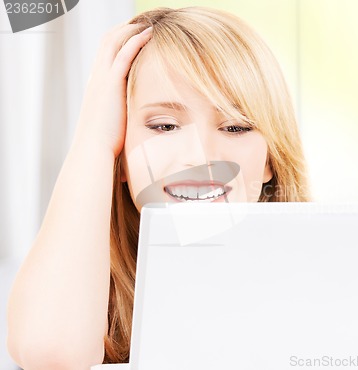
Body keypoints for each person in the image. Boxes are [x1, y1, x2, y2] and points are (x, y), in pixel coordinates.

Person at [7, 6, 309, 368]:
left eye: (235, 127)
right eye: (165, 126)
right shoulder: (81, 296)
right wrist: (94, 141)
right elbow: (51, 354)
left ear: (269, 161)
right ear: (119, 157)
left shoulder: (316, 289)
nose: (200, 158)